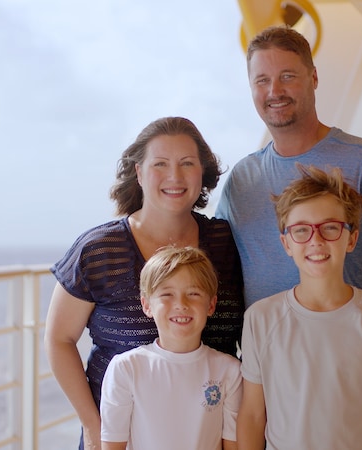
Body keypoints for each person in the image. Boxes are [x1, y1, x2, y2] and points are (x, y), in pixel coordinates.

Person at [44, 117, 244, 450]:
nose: (174, 176)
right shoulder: (98, 249)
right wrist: (93, 426)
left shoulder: (226, 243)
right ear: (139, 172)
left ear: (203, 173)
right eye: (160, 164)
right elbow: (58, 339)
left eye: (187, 163)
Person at [215, 25, 362, 335]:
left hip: (355, 354)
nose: (274, 91)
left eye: (287, 76)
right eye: (262, 80)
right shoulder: (242, 178)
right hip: (267, 360)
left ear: (313, 78)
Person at [237, 164, 362, 449]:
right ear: (286, 243)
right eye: (301, 230)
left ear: (352, 238)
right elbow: (252, 414)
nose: (316, 241)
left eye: (330, 228)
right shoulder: (260, 319)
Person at [100, 246, 242, 450]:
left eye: (193, 293)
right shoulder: (126, 368)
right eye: (167, 294)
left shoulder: (230, 371)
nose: (181, 304)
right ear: (147, 305)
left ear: (211, 305)